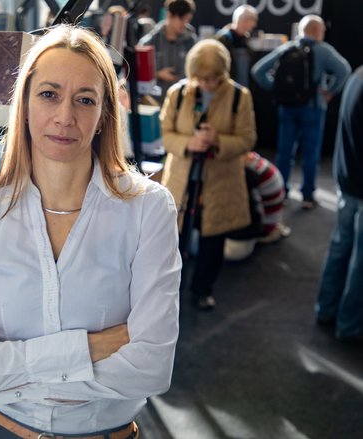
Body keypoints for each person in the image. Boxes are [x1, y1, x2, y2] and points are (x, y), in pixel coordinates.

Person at [0, 25, 181, 438]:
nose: (65, 117)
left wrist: (1, 361)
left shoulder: (147, 209)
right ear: (23, 104)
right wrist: (93, 347)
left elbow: (151, 369)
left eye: (84, 100)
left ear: (103, 116)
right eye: (49, 94)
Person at [160, 39, 256, 310]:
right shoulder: (177, 94)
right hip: (181, 180)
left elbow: (248, 139)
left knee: (213, 240)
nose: (206, 84)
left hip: (220, 183)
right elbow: (166, 136)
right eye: (201, 79)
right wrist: (188, 143)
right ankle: (168, 293)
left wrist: (218, 140)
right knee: (172, 239)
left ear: (223, 73)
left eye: (213, 79)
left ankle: (203, 290)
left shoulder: (240, 96)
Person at [251, 15, 351, 209]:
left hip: (287, 107)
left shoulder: (286, 48)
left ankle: (281, 191)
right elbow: (344, 70)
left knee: (284, 152)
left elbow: (258, 70)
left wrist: (276, 88)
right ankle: (307, 195)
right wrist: (329, 92)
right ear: (318, 31)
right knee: (310, 153)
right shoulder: (324, 51)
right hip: (313, 108)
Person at [315, 66, 363, 344]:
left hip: (347, 179)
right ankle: (349, 324)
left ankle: (327, 309)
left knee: (340, 246)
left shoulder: (357, 76)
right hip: (357, 184)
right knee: (359, 259)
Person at [138, 0, 197, 103]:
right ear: (169, 15)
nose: (185, 24)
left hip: (183, 103)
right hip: (156, 104)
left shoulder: (191, 41)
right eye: (182, 19)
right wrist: (158, 74)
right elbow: (137, 75)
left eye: (188, 20)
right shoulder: (149, 42)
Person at [215, 4, 258, 87]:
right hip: (226, 90)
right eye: (253, 20)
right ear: (245, 20)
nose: (254, 24)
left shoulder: (246, 41)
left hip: (243, 91)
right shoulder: (223, 39)